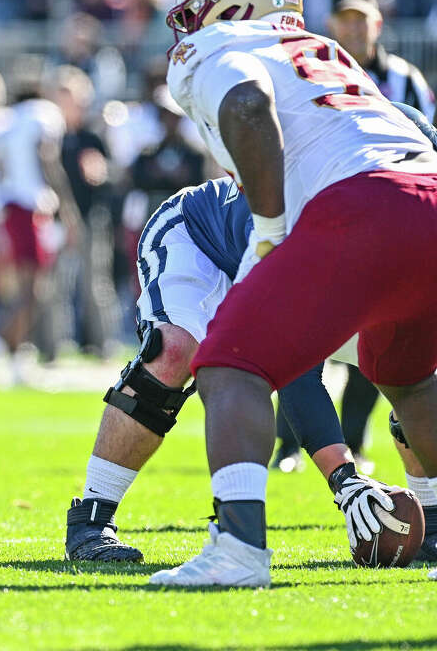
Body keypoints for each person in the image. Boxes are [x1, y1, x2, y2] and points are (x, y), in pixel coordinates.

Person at [151, 0, 437, 587]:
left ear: (235, 2)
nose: (190, 26)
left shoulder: (221, 45)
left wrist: (270, 234)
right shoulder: (325, 51)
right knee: (409, 379)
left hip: (363, 204)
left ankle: (240, 550)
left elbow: (249, 107)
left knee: (230, 362)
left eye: (198, 9)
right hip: (428, 194)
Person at [65, 170, 435, 564]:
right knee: (174, 352)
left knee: (414, 374)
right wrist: (345, 481)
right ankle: (93, 515)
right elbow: (296, 373)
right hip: (202, 242)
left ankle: (432, 519)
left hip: (323, 250)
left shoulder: (414, 212)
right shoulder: (313, 218)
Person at [308, 0, 437, 472]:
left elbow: (427, 140)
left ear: (376, 23)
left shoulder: (404, 80)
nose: (353, 29)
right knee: (302, 339)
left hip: (395, 221)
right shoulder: (317, 75)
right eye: (344, 20)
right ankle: (299, 449)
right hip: (333, 217)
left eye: (360, 19)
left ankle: (355, 445)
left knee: (381, 341)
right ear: (332, 26)